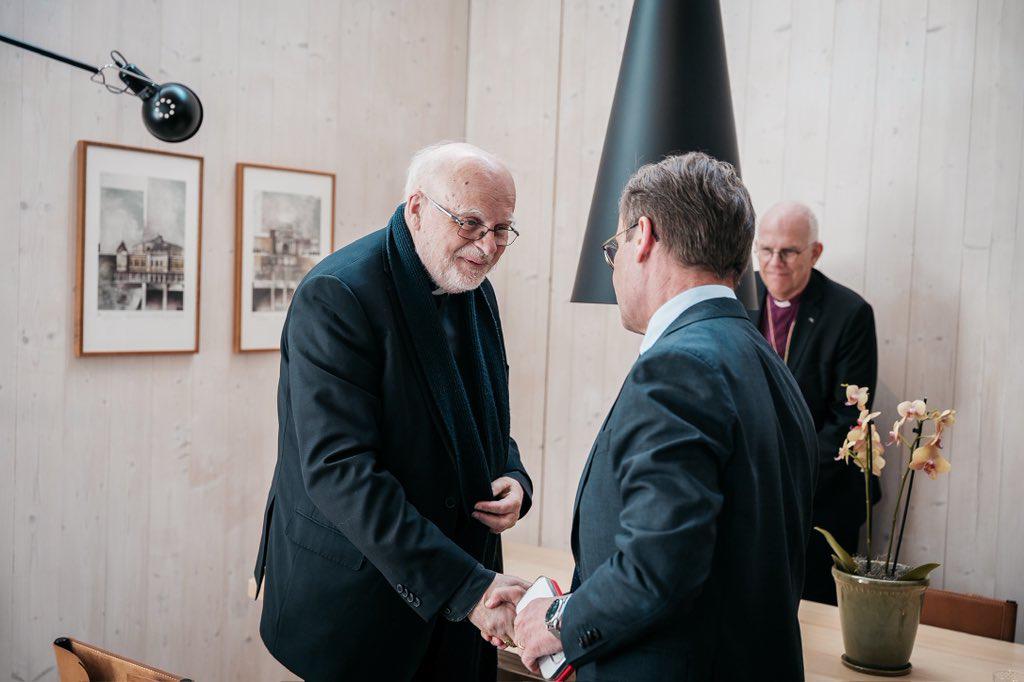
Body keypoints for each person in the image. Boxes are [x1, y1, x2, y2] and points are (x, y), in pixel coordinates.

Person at [513, 152, 818, 680]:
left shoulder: (678, 366)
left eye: (613, 249)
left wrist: (559, 618)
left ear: (643, 237)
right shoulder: (768, 361)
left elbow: (658, 567)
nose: (613, 268)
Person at [253, 142, 534, 681]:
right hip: (359, 602)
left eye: (502, 229)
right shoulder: (337, 295)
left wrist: (514, 477)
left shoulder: (474, 286)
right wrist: (466, 586)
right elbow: (340, 472)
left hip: (459, 593)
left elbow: (484, 414)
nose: (489, 246)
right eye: (471, 223)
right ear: (416, 208)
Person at [751, 201, 879, 605]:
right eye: (766, 250)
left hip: (822, 498)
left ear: (815, 252)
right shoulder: (737, 297)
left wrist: (781, 479)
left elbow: (847, 423)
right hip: (752, 493)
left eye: (788, 251)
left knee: (813, 622)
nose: (775, 263)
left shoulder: (850, 314)